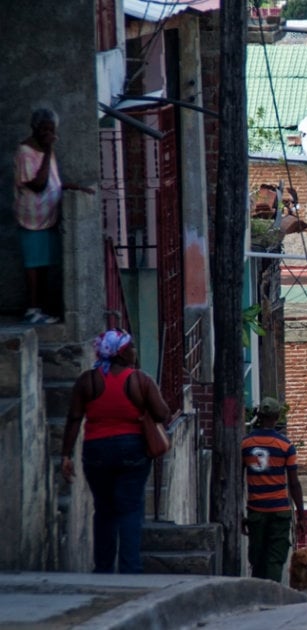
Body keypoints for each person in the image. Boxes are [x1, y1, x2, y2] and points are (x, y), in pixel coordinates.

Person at [61, 329, 171, 574]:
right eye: (131, 347)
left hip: (96, 450)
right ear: (121, 353)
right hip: (132, 449)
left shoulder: (87, 381)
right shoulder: (139, 380)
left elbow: (74, 418)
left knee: (104, 509)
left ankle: (103, 568)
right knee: (130, 509)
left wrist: (66, 455)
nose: (134, 351)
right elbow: (162, 414)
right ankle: (130, 568)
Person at [14, 107, 92, 324]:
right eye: (44, 129)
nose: (48, 134)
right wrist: (48, 150)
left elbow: (51, 180)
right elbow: (38, 184)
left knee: (44, 265)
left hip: (47, 218)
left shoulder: (46, 150)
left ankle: (41, 309)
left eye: (52, 129)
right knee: (33, 267)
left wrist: (74, 186)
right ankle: (32, 309)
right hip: (31, 219)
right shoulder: (26, 152)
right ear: (35, 128)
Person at [241, 397, 306, 583]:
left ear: (259, 416)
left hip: (256, 511)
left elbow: (238, 482)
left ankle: (258, 595)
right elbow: (294, 484)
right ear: (277, 417)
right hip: (279, 511)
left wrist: (238, 515)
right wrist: (302, 516)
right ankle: (272, 600)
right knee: (275, 560)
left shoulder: (245, 444)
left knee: (257, 560)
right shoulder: (286, 446)